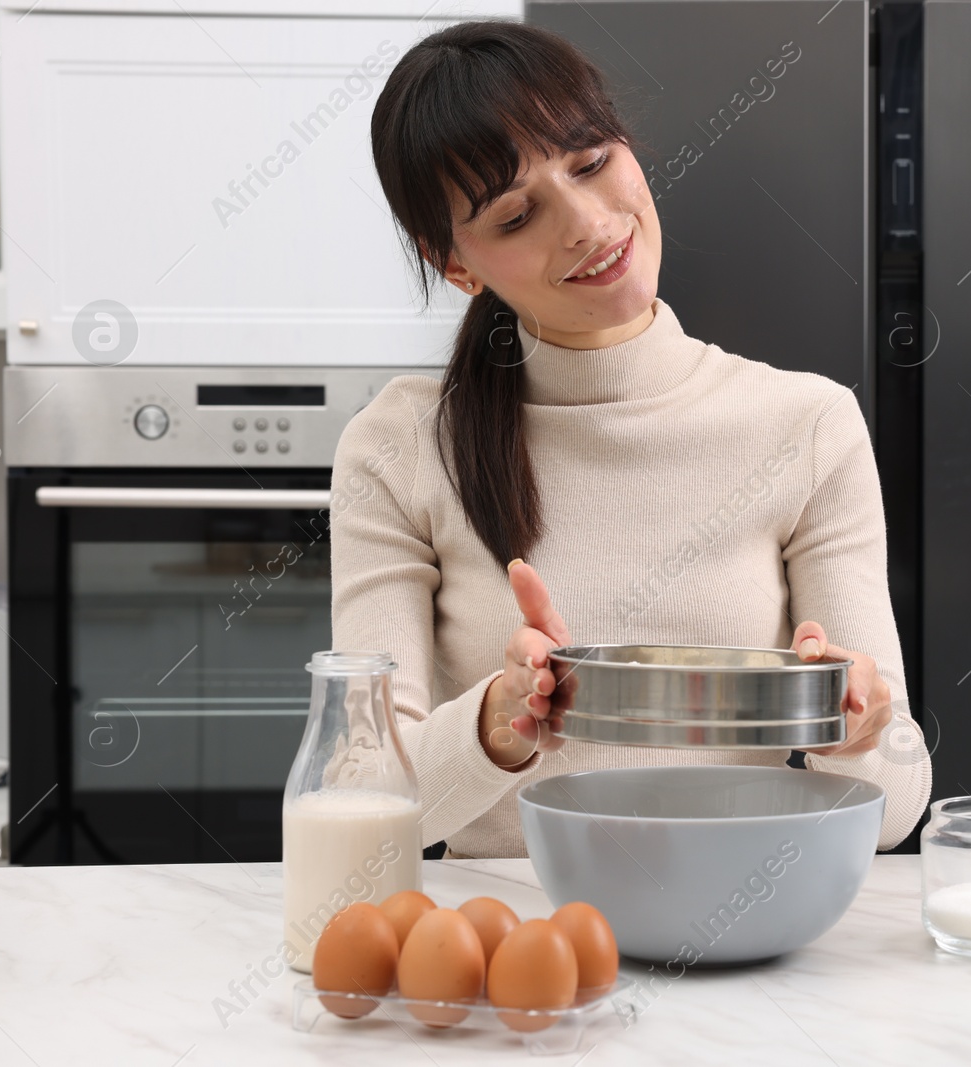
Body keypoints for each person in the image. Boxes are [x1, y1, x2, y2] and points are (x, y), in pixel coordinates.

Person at [331, 19, 930, 859]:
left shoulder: (809, 424)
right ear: (456, 265)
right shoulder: (397, 447)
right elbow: (358, 799)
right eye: (515, 216)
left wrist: (858, 730)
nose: (587, 222)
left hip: (738, 936)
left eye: (590, 162)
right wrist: (496, 723)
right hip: (514, 952)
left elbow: (899, 804)